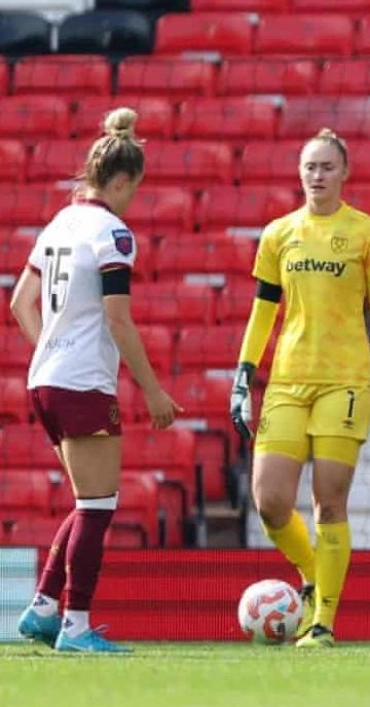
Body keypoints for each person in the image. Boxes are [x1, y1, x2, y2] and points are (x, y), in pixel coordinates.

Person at [229, 128, 370, 649]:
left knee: (328, 503)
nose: (317, 175)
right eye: (310, 167)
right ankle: (313, 575)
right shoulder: (279, 234)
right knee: (269, 502)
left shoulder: (366, 233)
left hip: (345, 381)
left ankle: (323, 622)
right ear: (299, 173)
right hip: (288, 381)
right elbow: (263, 311)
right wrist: (244, 374)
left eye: (327, 167)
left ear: (344, 173)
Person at [12, 107, 180, 653]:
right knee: (99, 505)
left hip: (45, 379)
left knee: (87, 501)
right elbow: (117, 317)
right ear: (124, 181)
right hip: (82, 382)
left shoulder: (59, 223)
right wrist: (153, 390)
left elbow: (20, 303)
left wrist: (53, 350)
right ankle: (75, 625)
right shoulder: (112, 232)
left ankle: (41, 608)